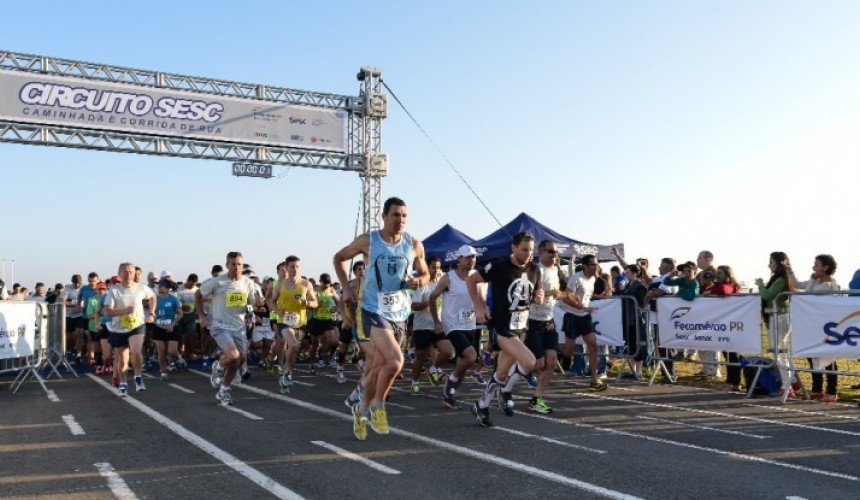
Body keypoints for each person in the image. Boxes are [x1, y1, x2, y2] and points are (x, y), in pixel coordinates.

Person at [334, 196, 429, 440]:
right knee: (396, 362)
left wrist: (420, 280)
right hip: (373, 310)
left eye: (404, 215)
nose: (400, 220)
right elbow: (339, 258)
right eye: (396, 215)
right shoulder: (369, 241)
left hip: (399, 312)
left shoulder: (414, 244)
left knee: (378, 366)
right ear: (384, 216)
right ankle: (378, 405)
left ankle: (361, 408)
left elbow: (426, 272)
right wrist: (345, 287)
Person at [469, 232, 542, 427]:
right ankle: (506, 390)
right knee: (529, 362)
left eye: (531, 250)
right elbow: (471, 281)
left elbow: (535, 293)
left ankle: (481, 405)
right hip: (502, 328)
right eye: (524, 249)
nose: (528, 254)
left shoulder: (535, 269)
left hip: (521, 328)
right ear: (514, 247)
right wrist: (479, 306)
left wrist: (538, 296)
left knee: (501, 373)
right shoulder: (499, 266)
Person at [195, 251, 262, 406]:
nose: (237, 267)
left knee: (239, 360)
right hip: (219, 325)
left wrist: (258, 304)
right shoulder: (218, 282)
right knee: (232, 355)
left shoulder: (247, 283)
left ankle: (223, 390)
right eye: (233, 264)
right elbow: (198, 294)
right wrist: (202, 316)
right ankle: (218, 366)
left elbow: (252, 303)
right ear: (227, 265)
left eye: (240, 264)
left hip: (239, 327)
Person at [429, 247, 479, 409]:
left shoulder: (476, 276)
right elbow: (432, 297)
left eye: (474, 257)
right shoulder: (448, 278)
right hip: (452, 324)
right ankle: (450, 381)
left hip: (470, 323)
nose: (471, 260)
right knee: (471, 356)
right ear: (459, 259)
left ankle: (449, 396)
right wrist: (436, 321)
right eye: (468, 257)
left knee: (463, 364)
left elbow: (480, 298)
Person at [789, 254, 841, 402]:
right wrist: (789, 270)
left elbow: (807, 295)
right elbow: (799, 285)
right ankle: (817, 389)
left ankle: (832, 391)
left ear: (825, 267)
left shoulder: (828, 285)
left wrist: (812, 280)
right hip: (813, 326)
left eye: (816, 265)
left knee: (829, 359)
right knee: (813, 356)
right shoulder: (816, 281)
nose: (813, 268)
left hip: (826, 327)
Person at [555, 254, 608, 392]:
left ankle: (594, 379)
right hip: (572, 316)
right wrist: (582, 307)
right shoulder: (576, 278)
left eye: (596, 264)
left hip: (584, 317)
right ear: (585, 266)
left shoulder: (593, 279)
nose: (595, 267)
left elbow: (586, 295)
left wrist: (599, 297)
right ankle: (552, 349)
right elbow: (566, 298)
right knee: (568, 352)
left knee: (593, 346)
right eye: (592, 264)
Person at [524, 240, 566, 414]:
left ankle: (536, 399)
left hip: (548, 321)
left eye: (555, 252)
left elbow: (558, 292)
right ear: (541, 252)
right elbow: (526, 295)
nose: (554, 255)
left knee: (551, 363)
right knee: (539, 364)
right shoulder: (535, 270)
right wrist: (548, 293)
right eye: (550, 251)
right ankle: (514, 372)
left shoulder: (556, 270)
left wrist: (566, 296)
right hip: (532, 321)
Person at [103, 263, 156, 397]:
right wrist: (124, 311)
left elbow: (153, 297)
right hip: (119, 328)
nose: (129, 275)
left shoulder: (141, 288)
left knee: (136, 351)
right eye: (126, 272)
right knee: (122, 359)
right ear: (119, 274)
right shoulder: (114, 290)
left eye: (131, 272)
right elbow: (108, 311)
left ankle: (138, 376)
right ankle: (123, 383)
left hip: (136, 325)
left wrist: (151, 313)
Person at [270, 256, 318, 392]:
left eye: (297, 267)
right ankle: (286, 373)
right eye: (292, 267)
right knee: (293, 344)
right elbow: (272, 301)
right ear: (287, 268)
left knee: (294, 349)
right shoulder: (280, 284)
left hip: (300, 322)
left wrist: (307, 303)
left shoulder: (306, 284)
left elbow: (315, 303)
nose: (295, 269)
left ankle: (287, 372)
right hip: (284, 321)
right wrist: (278, 311)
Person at [409, 256, 454, 394]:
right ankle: (414, 382)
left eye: (439, 267)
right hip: (422, 325)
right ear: (427, 268)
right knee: (420, 356)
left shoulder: (442, 283)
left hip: (438, 324)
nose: (437, 270)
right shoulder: (422, 284)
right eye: (434, 267)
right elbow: (413, 306)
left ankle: (433, 369)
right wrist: (430, 302)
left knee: (449, 352)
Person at [756, 251, 797, 396]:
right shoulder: (782, 278)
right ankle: (792, 380)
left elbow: (767, 294)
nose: (769, 265)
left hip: (778, 318)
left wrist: (760, 285)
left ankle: (787, 385)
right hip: (780, 318)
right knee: (783, 352)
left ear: (778, 264)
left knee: (779, 353)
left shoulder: (780, 279)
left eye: (771, 262)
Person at [708, 265, 742, 391]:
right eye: (717, 273)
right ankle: (730, 381)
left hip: (731, 324)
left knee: (732, 354)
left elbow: (724, 291)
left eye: (720, 274)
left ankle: (735, 382)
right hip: (723, 324)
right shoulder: (716, 285)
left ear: (728, 275)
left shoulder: (730, 285)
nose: (717, 276)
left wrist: (710, 291)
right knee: (727, 353)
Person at [306, 273, 339, 374]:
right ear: (320, 282)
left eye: (328, 283)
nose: (326, 285)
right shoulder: (315, 291)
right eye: (324, 283)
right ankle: (311, 365)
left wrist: (335, 309)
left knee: (333, 341)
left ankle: (323, 353)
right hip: (316, 319)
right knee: (315, 344)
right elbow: (307, 305)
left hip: (328, 319)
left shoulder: (332, 290)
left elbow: (339, 302)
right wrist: (317, 305)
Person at [621, 264, 649, 380]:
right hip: (628, 318)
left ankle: (639, 371)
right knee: (631, 344)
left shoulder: (639, 286)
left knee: (639, 344)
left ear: (634, 273)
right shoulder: (628, 285)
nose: (626, 275)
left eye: (628, 273)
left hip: (636, 318)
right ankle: (632, 370)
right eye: (625, 273)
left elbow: (642, 302)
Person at [153, 279, 183, 381]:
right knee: (161, 352)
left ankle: (178, 358)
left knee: (171, 352)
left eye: (160, 286)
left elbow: (180, 314)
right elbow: (151, 311)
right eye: (158, 286)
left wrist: (173, 324)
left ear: (166, 288)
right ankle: (163, 371)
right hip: (159, 327)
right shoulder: (155, 299)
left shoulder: (173, 299)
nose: (158, 288)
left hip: (171, 328)